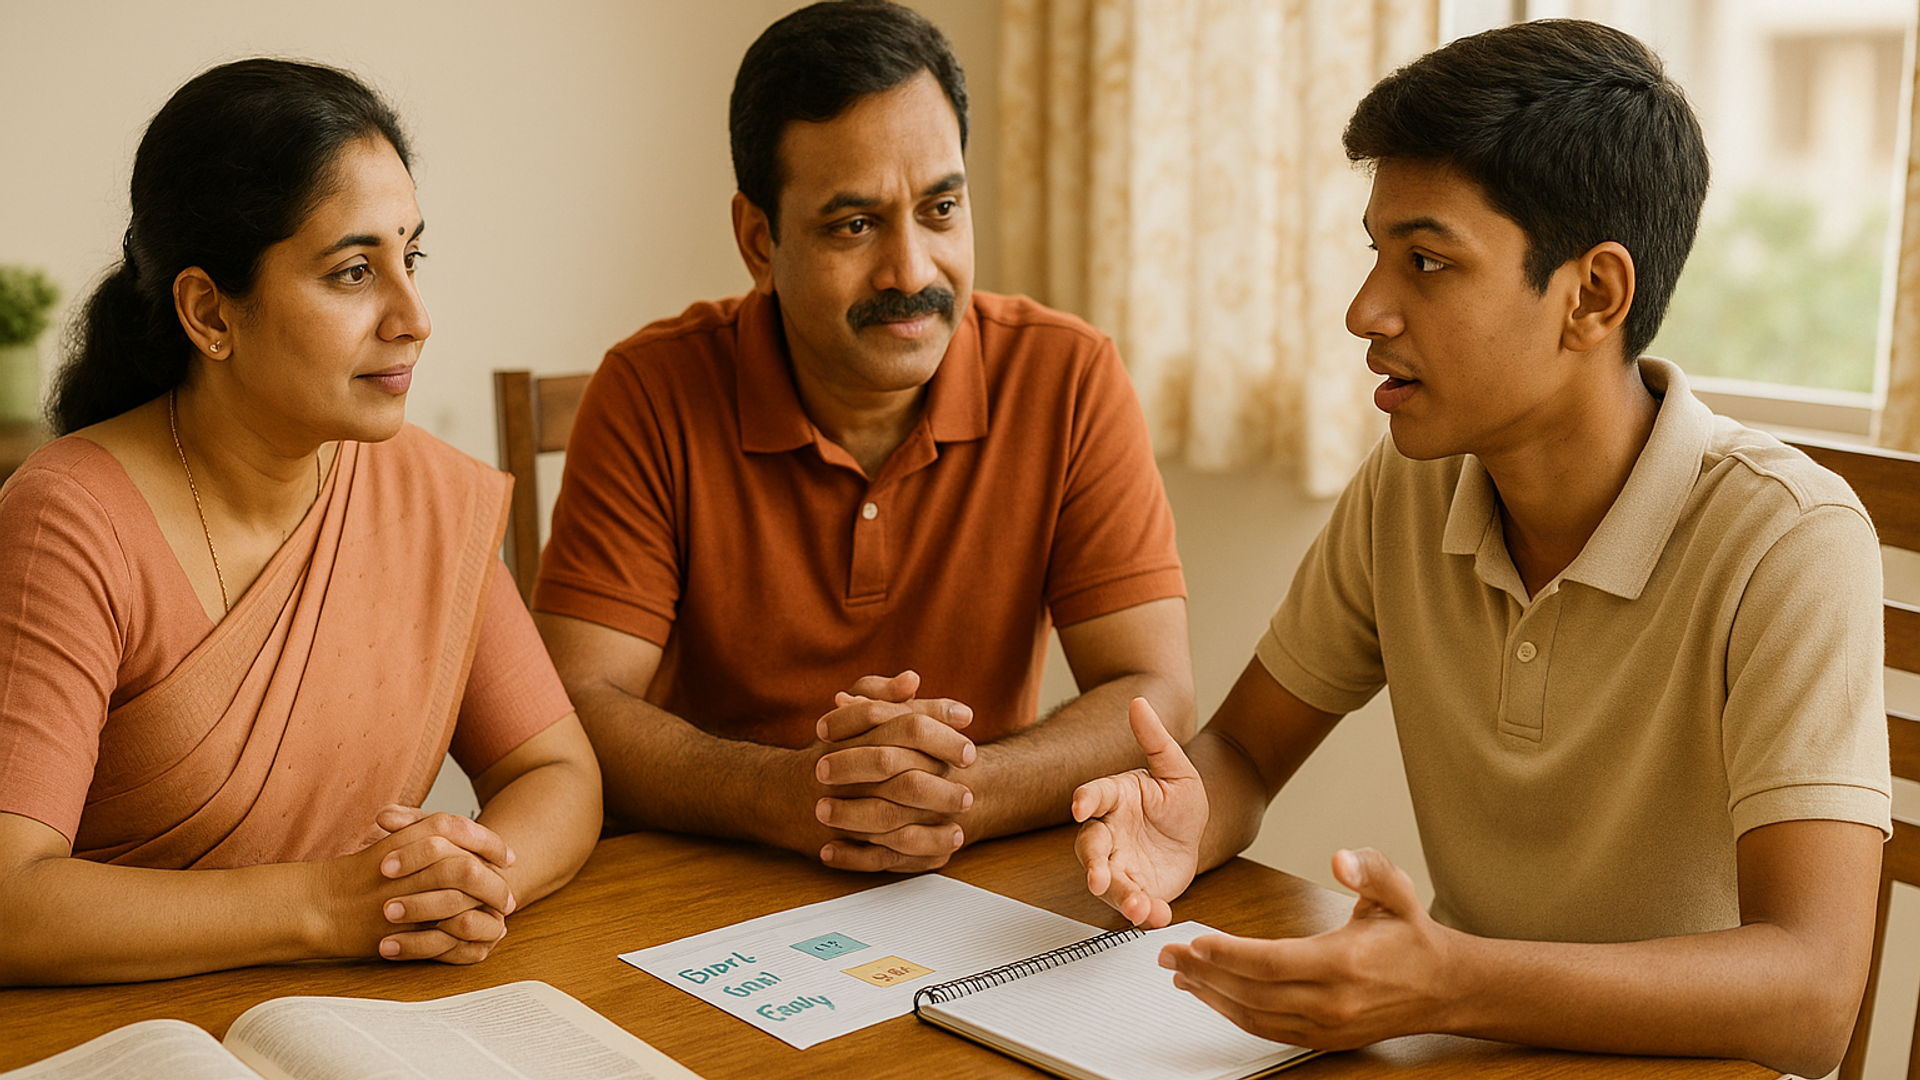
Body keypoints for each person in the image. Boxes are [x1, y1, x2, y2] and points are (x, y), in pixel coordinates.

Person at [1070, 19, 1888, 1077]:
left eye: (1427, 262)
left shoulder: (1790, 542)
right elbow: (1244, 752)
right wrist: (1187, 818)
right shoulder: (1410, 487)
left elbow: (1812, 996)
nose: (1366, 310)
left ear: (1593, 294)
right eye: (1375, 255)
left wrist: (1453, 978)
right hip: (1472, 1051)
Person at [534, 0, 1193, 874]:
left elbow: (1155, 690)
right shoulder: (649, 390)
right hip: (702, 880)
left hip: (965, 881)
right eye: (855, 224)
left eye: (941, 208)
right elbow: (576, 703)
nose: (912, 272)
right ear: (759, 240)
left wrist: (960, 795)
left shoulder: (1068, 378)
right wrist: (785, 793)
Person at [0, 59, 602, 986]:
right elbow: (11, 899)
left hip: (368, 1007)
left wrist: (456, 885)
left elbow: (556, 773)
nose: (414, 317)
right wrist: (330, 905)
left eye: (413, 257)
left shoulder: (422, 495)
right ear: (210, 311)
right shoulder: (70, 519)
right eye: (355, 271)